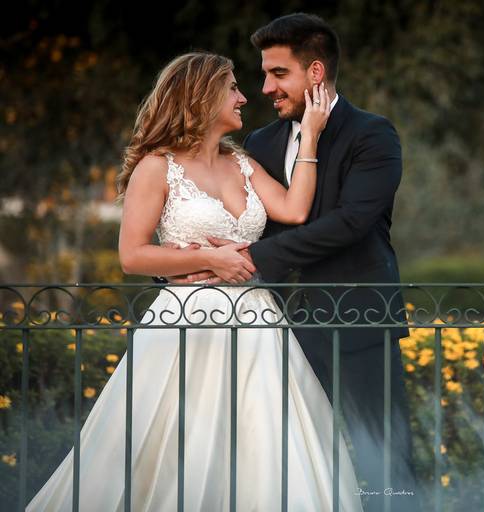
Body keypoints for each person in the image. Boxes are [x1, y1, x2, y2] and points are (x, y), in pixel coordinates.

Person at [27, 52, 363, 511]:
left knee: (262, 440)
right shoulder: (156, 167)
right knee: (176, 441)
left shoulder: (242, 164)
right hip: (186, 323)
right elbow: (132, 255)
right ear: (202, 96)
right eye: (233, 89)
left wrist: (312, 135)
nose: (244, 98)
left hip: (257, 324)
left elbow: (295, 209)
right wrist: (209, 258)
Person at [183, 14, 419, 511]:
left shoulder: (373, 135)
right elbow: (250, 221)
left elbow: (350, 223)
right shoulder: (260, 143)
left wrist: (252, 257)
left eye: (278, 74)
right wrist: (199, 257)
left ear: (315, 72)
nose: (265, 88)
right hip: (276, 330)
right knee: (285, 463)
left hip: (359, 322)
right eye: (264, 75)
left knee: (385, 461)